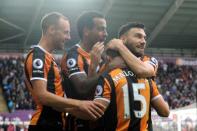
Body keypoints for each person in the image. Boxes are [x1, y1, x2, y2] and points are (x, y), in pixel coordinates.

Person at [24, 12, 104, 131]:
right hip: (43, 123)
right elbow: (42, 96)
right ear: (51, 29)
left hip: (55, 123)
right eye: (65, 32)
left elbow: (56, 104)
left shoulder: (47, 57)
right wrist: (79, 104)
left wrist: (87, 112)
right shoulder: (38, 56)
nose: (69, 37)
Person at [94, 22, 169, 130]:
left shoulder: (148, 62)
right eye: (138, 36)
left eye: (144, 37)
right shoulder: (108, 68)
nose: (143, 41)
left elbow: (141, 70)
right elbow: (165, 111)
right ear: (123, 39)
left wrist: (119, 47)